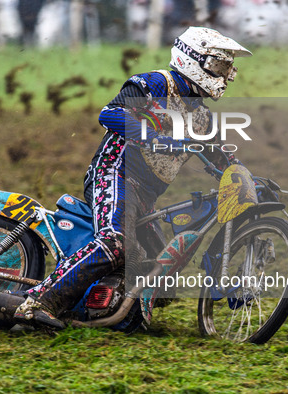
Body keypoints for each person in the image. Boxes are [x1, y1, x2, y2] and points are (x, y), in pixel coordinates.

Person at [14, 26, 252, 329]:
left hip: (146, 197)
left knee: (161, 274)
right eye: (219, 65)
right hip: (113, 173)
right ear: (193, 59)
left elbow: (222, 159)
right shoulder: (153, 83)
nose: (224, 75)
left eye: (227, 68)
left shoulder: (202, 119)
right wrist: (152, 136)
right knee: (116, 242)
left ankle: (100, 308)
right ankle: (38, 301)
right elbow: (109, 113)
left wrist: (247, 178)